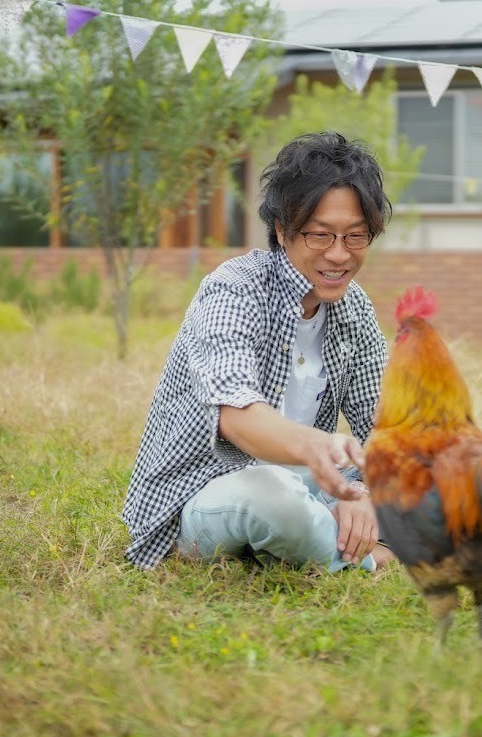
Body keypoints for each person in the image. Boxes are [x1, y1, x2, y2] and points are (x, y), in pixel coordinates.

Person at [122, 131, 396, 573]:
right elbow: (237, 415)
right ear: (283, 230)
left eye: (356, 236)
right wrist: (320, 453)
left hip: (309, 479)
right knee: (273, 498)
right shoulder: (234, 290)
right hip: (212, 487)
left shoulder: (353, 306)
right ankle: (370, 557)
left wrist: (361, 490)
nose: (340, 255)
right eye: (321, 236)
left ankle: (326, 535)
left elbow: (382, 425)